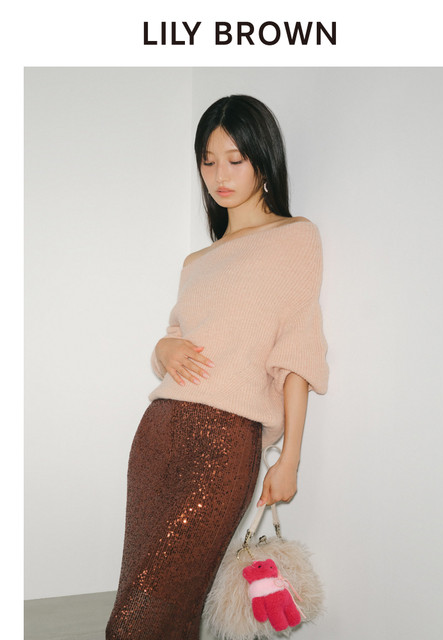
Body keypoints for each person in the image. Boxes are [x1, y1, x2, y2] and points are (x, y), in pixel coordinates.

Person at [105, 94, 329, 640]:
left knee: (139, 619)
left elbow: (298, 352)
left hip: (225, 442)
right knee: (158, 603)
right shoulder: (197, 261)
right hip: (158, 436)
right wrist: (162, 349)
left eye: (235, 159)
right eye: (208, 161)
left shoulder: (294, 237)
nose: (219, 176)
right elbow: (178, 337)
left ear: (263, 159)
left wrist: (290, 459)